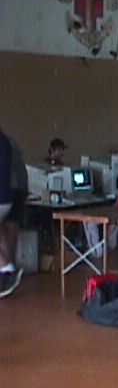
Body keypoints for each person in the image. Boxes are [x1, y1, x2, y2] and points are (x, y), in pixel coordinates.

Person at [0, 126, 25, 298]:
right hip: (11, 195)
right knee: (6, 233)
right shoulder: (7, 141)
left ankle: (6, 268)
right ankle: (5, 277)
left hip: (4, 195)